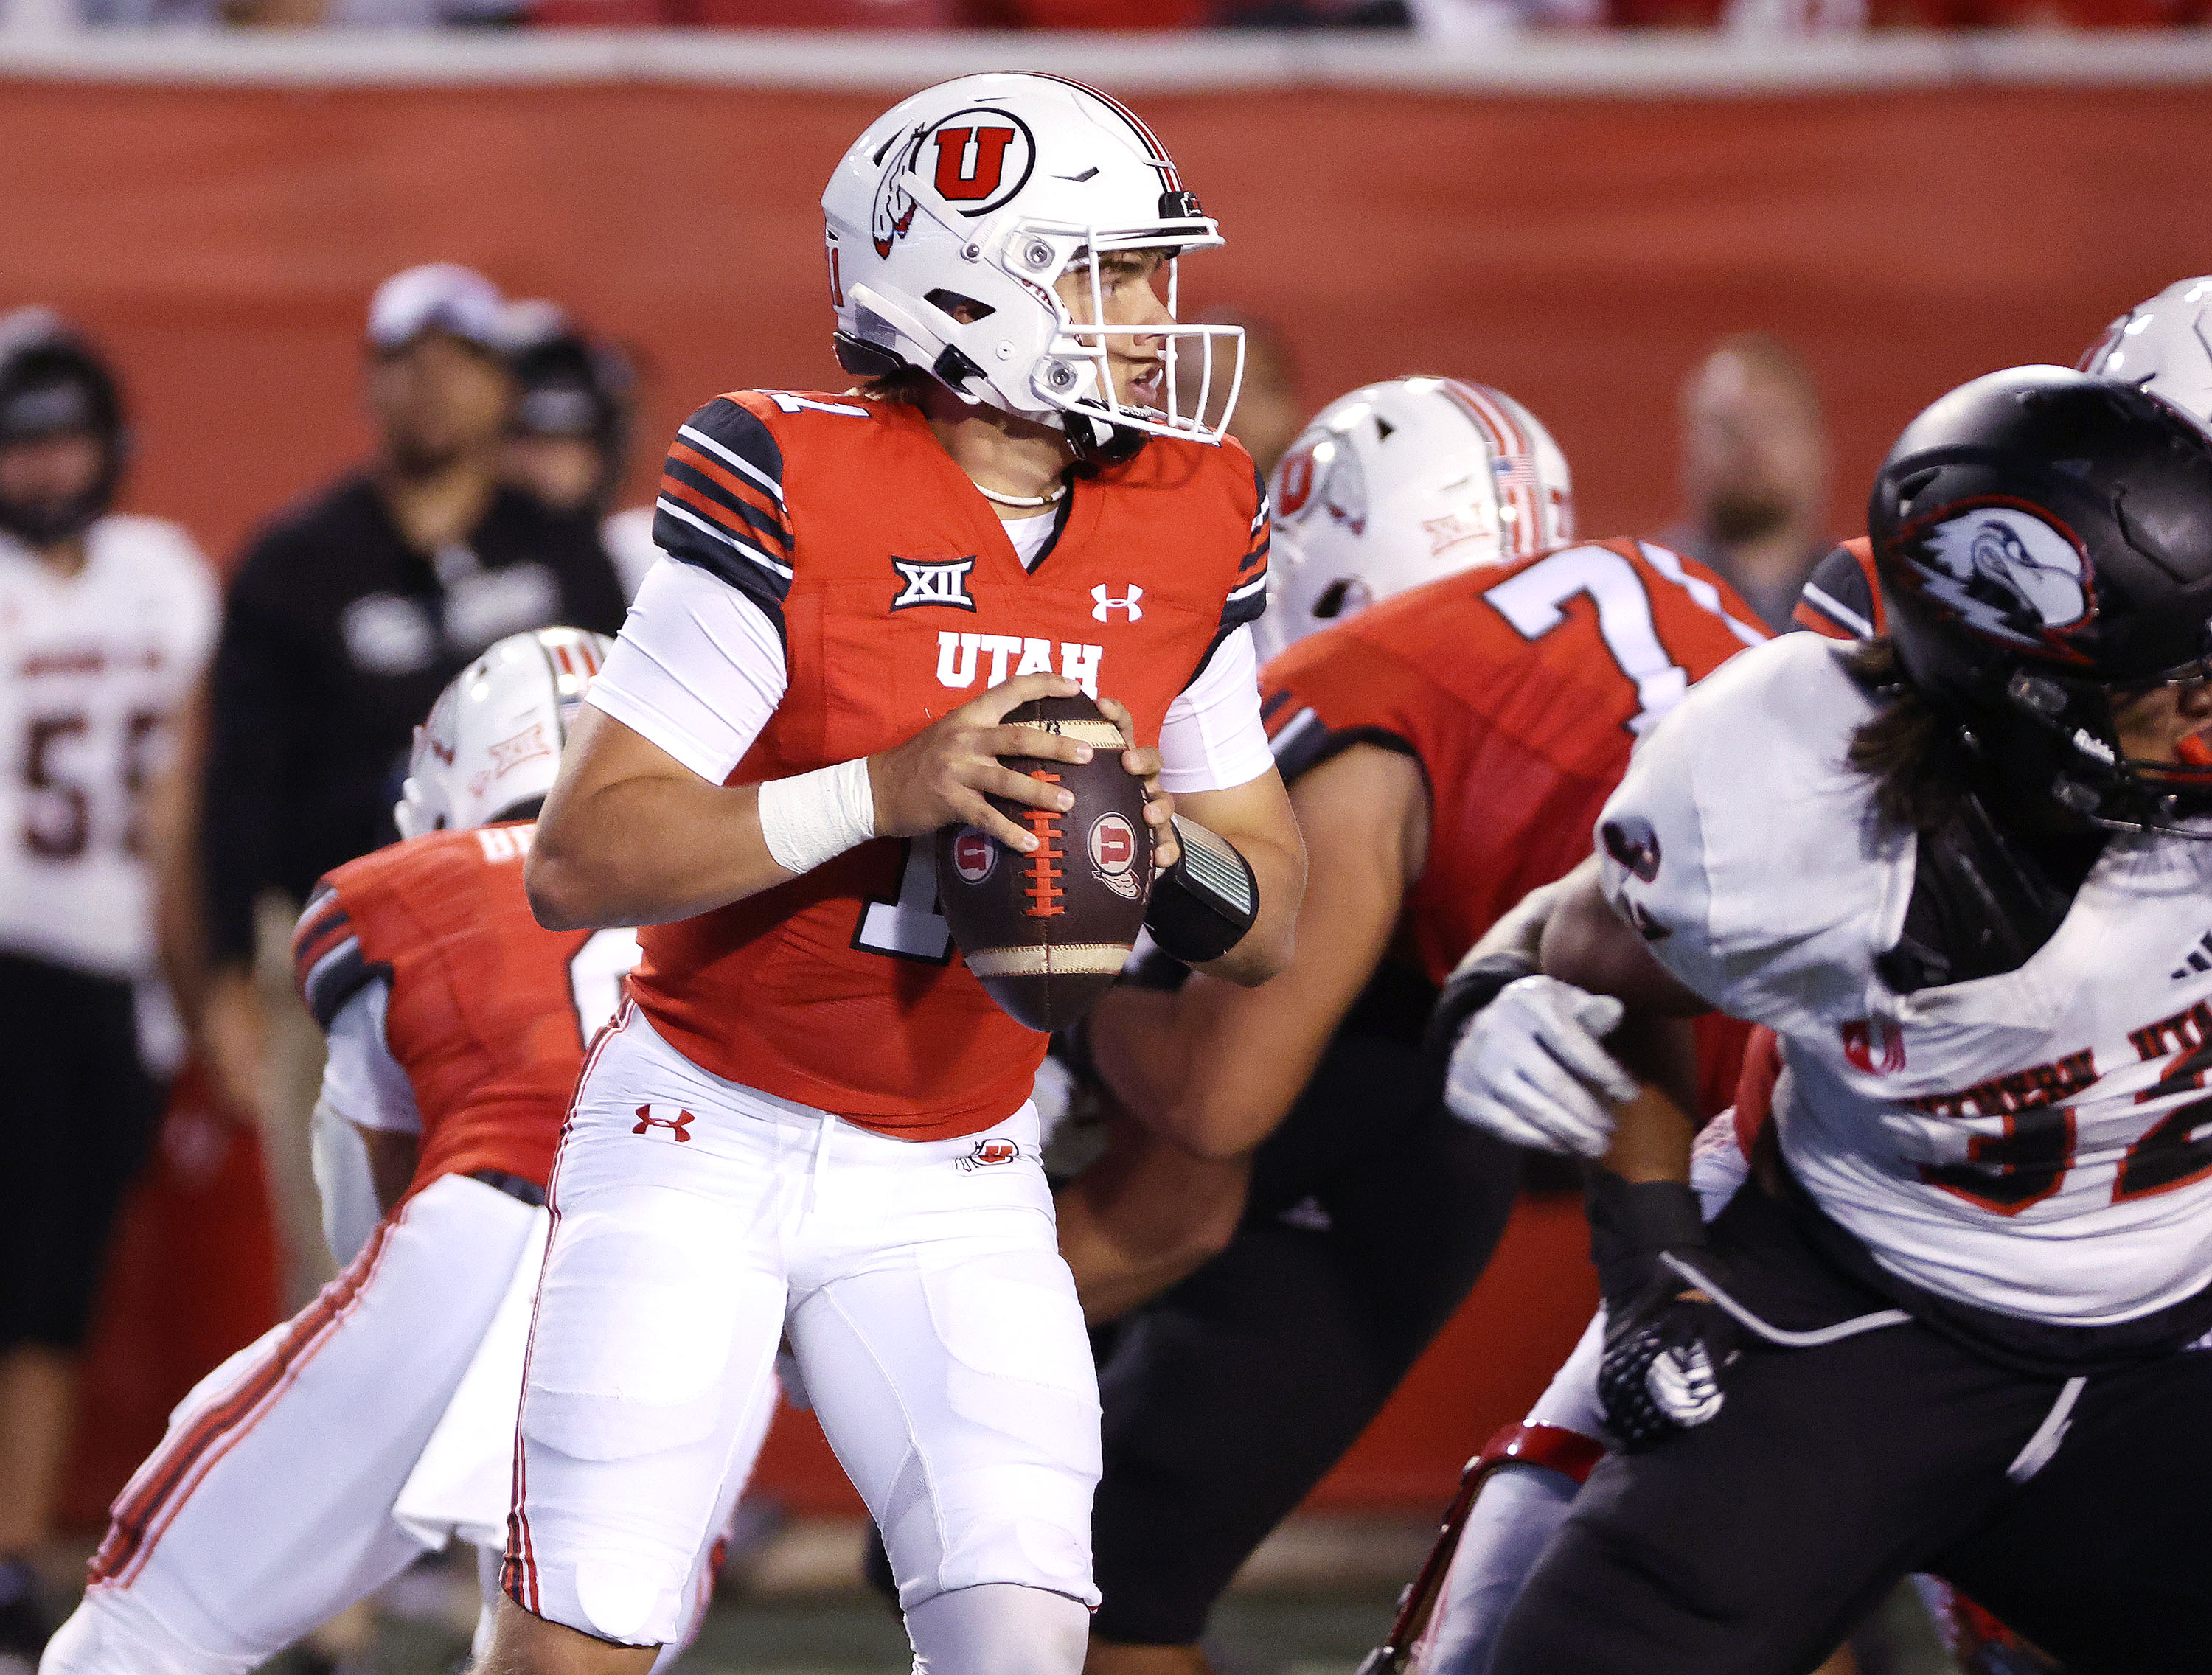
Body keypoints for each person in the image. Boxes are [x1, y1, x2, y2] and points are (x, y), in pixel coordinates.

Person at [490, 73, 1304, 1675]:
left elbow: (1269, 917)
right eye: (1112, 270)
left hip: (959, 1163)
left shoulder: (1188, 510)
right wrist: (888, 783)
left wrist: (1156, 846)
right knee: (581, 1637)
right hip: (698, 1126)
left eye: (1158, 269)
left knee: (1020, 1637)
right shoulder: (794, 472)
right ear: (965, 278)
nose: (1157, 310)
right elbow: (582, 856)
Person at [1464, 365, 2212, 1674]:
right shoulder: (1796, 813)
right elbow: (1583, 947)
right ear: (2035, 689)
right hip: (1864, 1325)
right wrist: (1647, 1253)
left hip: (2177, 1333)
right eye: (2180, 679)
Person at [1070, 375, 1764, 1671]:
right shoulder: (1652, 589)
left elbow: (1222, 1100)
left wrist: (1063, 994)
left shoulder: (1372, 681)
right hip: (1892, 1079)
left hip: (1745, 1151)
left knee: (1562, 1606)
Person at [43, 627, 762, 1675]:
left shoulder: (405, 886)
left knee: (147, 1619)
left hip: (491, 1222)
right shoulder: (765, 899)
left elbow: (370, 1204)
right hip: (703, 1283)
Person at [195, 262, 627, 1302]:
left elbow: (630, 735)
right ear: (368, 383)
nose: (432, 386)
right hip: (341, 950)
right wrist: (220, 979)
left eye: (461, 362)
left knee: (553, 1249)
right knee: (345, 1271)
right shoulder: (298, 559)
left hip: (542, 943)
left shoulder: (563, 549)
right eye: (406, 362)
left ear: (501, 388)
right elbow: (235, 781)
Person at [0, 311, 218, 1668]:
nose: (45, 470)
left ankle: (15, 1551)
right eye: (22, 448)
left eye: (65, 441)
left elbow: (189, 792)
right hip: (11, 942)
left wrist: (190, 987)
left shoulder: (161, 572)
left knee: (51, 1283)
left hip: (112, 967)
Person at [1666, 331, 1832, 633]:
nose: (1752, 446)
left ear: (1818, 447)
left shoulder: (1865, 608)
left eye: (1773, 422)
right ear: (1688, 446)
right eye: (1726, 427)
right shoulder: (1645, 599)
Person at [498, 305, 658, 599]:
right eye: (525, 436)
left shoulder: (649, 558)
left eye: (570, 437)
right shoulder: (434, 552)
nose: (551, 459)